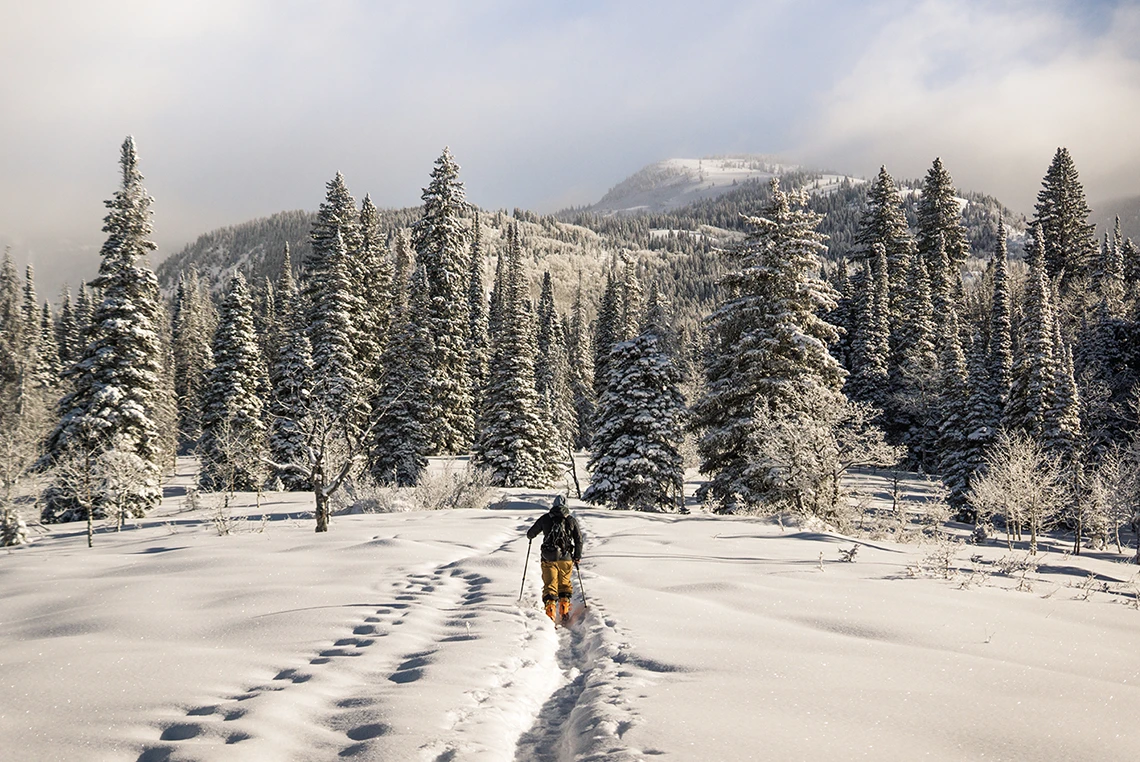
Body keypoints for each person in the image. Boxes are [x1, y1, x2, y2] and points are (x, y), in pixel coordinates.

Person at [526, 494, 583, 622]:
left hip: (548, 557)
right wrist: (577, 556)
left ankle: (550, 614)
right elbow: (579, 540)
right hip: (566, 558)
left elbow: (530, 533)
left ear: (553, 505)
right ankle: (564, 610)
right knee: (564, 585)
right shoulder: (571, 520)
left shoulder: (546, 518)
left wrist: (531, 537)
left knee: (550, 586)